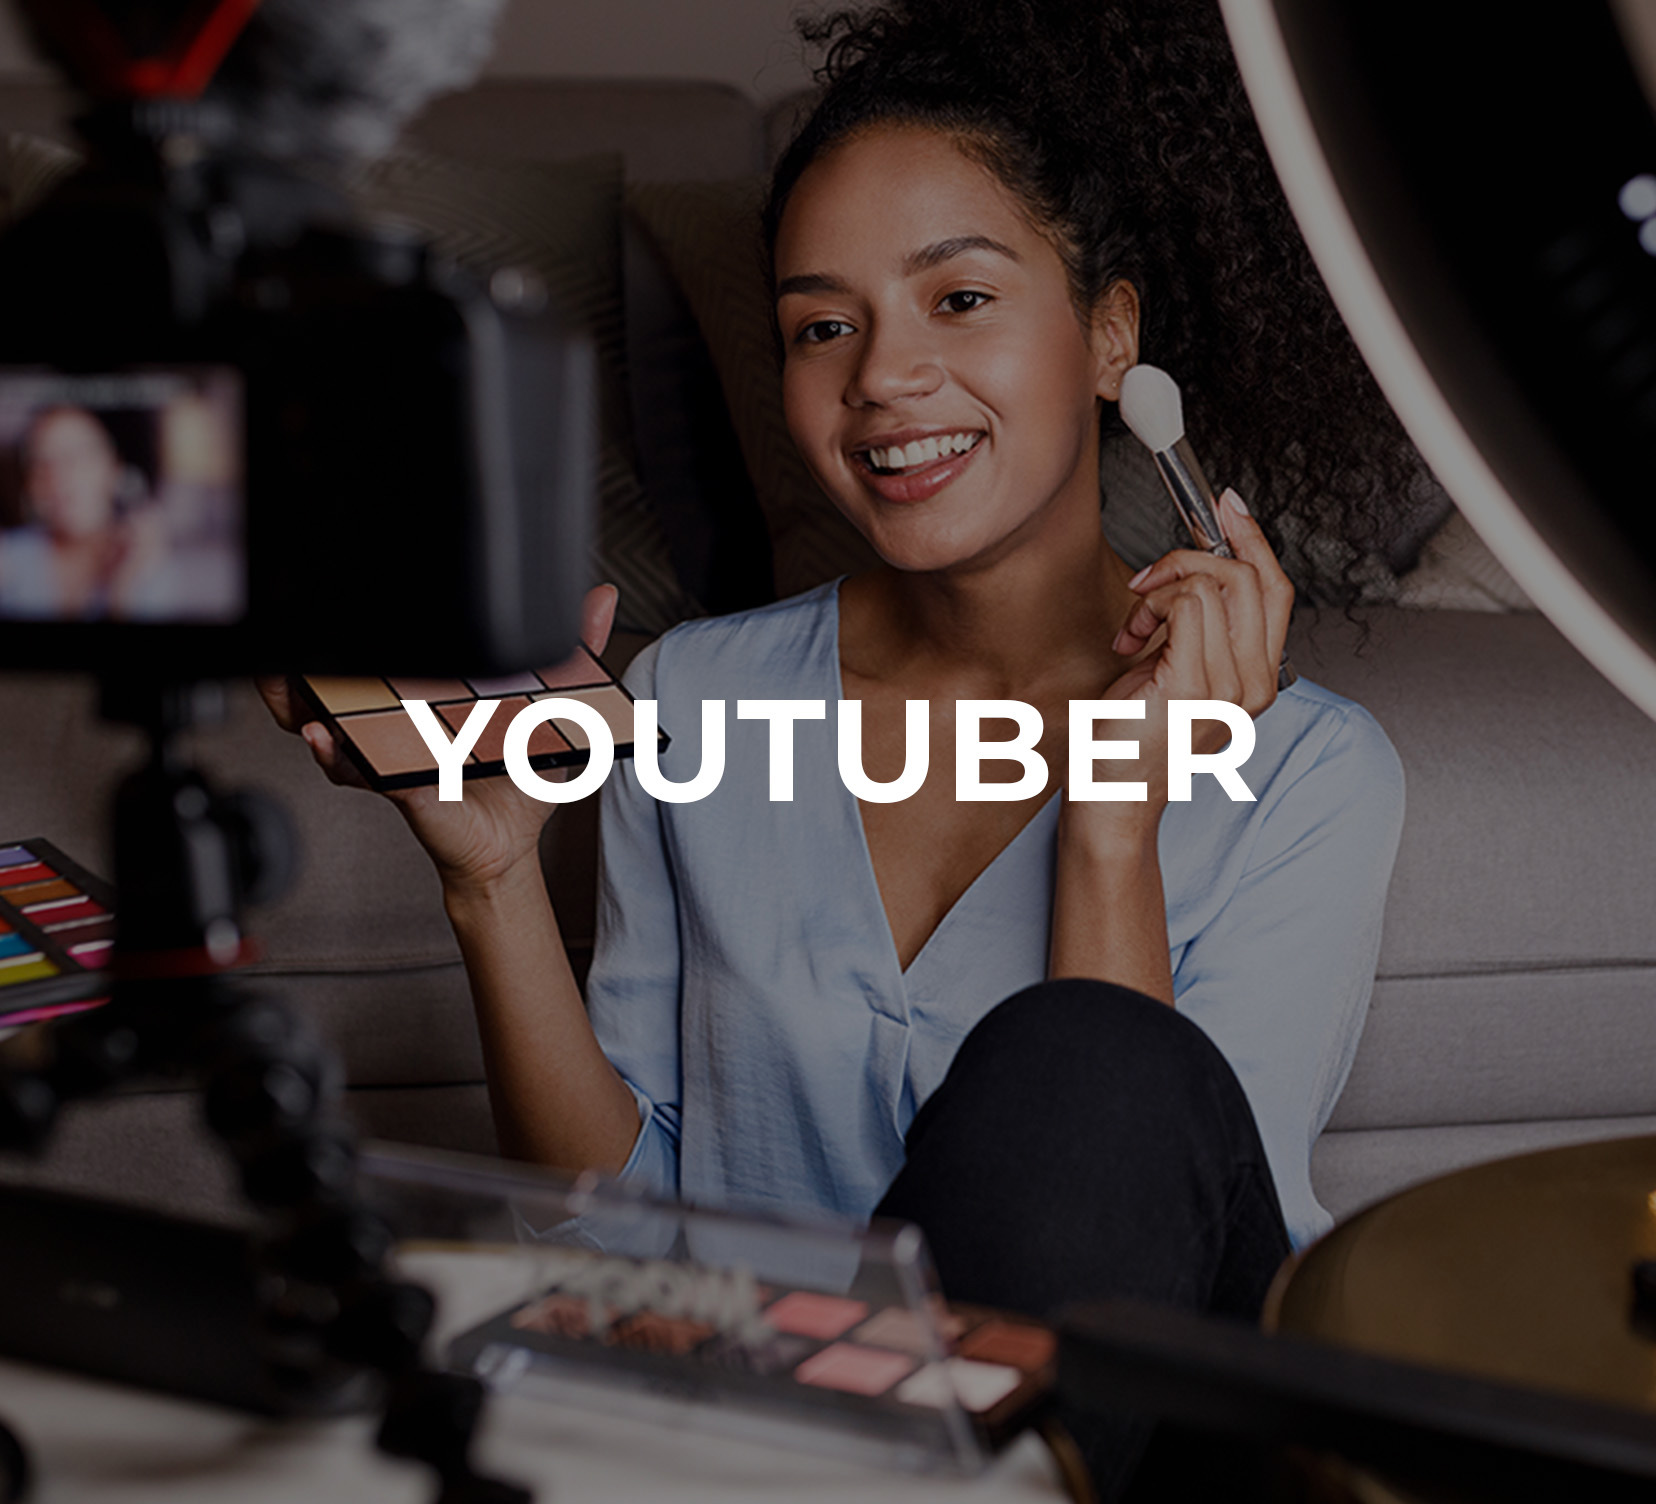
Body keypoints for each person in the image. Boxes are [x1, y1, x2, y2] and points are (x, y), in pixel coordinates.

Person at [263, 1, 1414, 1491]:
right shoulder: (695, 705)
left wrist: (1117, 815)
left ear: (1112, 334)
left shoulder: (1311, 777)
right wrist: (490, 881)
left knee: (1087, 1065)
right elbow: (621, 1234)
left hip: (1152, 1454)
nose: (881, 376)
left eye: (958, 299)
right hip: (774, 1450)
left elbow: (1154, 1261)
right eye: (823, 326)